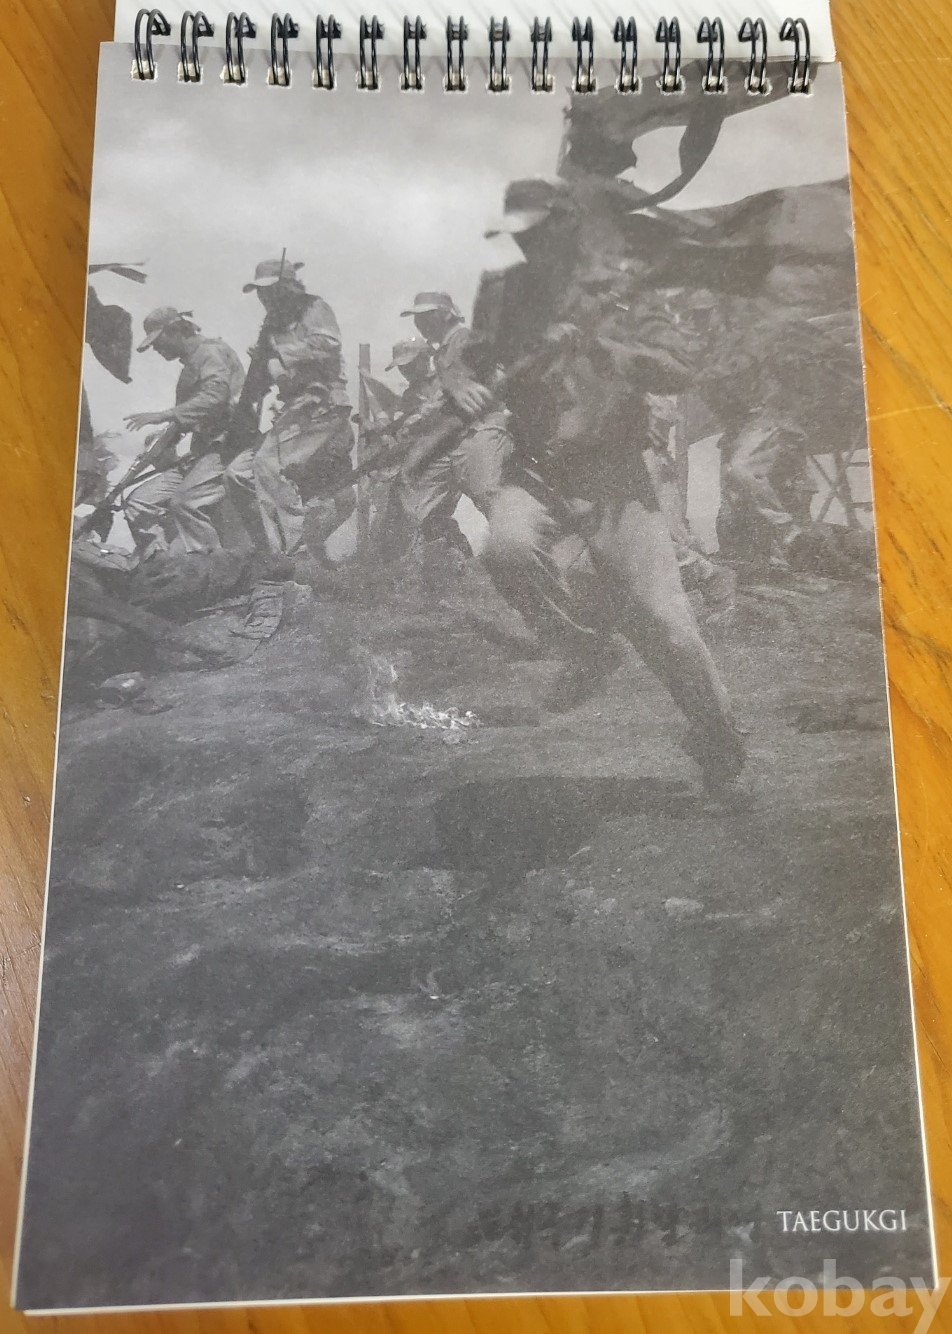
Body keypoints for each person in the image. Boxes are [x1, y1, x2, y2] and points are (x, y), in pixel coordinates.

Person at [472, 100, 748, 791]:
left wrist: (610, 348)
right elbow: (471, 361)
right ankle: (586, 651)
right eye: (521, 239)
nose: (532, 250)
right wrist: (463, 387)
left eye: (542, 236)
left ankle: (720, 746)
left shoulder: (621, 289)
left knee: (667, 626)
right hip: (535, 467)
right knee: (506, 548)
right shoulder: (502, 291)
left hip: (613, 475)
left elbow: (680, 366)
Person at [226, 257, 355, 561]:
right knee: (237, 472)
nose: (264, 297)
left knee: (268, 464)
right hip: (293, 408)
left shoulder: (313, 307)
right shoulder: (273, 323)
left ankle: (293, 552)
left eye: (269, 289)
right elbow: (263, 379)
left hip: (321, 404)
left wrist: (278, 353)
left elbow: (328, 344)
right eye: (260, 291)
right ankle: (270, 548)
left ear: (288, 287)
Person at [123, 307, 244, 555]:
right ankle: (160, 562)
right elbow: (185, 420)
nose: (156, 349)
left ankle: (210, 565)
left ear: (175, 331)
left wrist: (163, 415)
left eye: (158, 341)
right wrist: (161, 442)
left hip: (227, 447)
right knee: (139, 502)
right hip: (200, 453)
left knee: (185, 502)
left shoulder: (210, 352)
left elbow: (216, 397)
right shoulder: (190, 366)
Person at [396, 292, 512, 544]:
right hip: (453, 434)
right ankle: (448, 550)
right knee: (414, 484)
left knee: (487, 493)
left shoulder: (466, 339)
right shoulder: (441, 354)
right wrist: (420, 419)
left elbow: (498, 377)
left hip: (480, 427)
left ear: (445, 314)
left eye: (426, 316)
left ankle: (522, 544)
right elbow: (444, 397)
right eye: (417, 319)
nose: (420, 324)